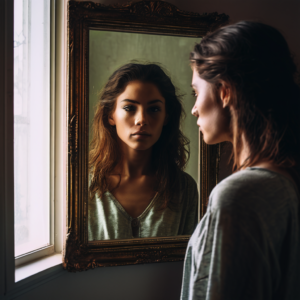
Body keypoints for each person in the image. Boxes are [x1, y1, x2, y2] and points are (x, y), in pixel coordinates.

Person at [181, 21, 300, 300]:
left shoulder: (239, 195)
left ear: (225, 91)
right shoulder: (284, 181)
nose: (194, 109)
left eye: (197, 93)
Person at [88, 63, 199, 241]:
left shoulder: (184, 189)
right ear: (111, 115)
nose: (142, 120)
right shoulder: (85, 188)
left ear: (166, 117)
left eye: (154, 109)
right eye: (129, 108)